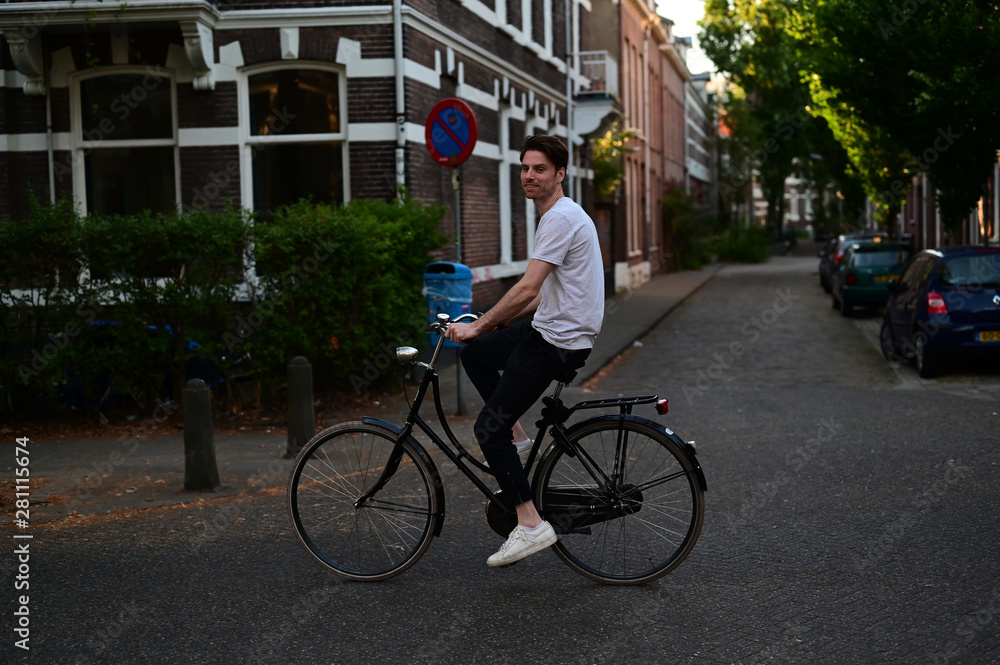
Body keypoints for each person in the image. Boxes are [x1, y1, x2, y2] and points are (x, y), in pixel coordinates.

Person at [445, 134, 604, 567]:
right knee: (477, 354)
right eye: (525, 168)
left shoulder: (559, 219)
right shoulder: (559, 215)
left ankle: (531, 524)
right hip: (550, 326)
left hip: (557, 341)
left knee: (485, 431)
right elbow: (542, 294)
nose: (529, 176)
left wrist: (478, 323)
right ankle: (516, 436)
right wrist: (491, 326)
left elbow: (528, 286)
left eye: (539, 169)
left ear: (560, 174)